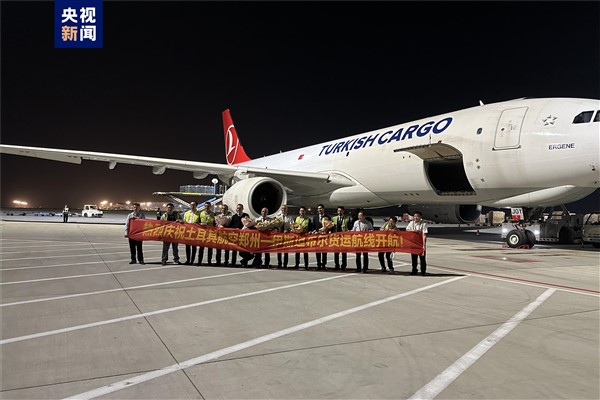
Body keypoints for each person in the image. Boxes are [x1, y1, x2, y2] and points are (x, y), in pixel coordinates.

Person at [406, 211, 428, 276]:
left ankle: (423, 271)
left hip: (420, 243)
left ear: (420, 217)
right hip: (413, 243)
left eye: (417, 216)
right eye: (415, 216)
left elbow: (424, 234)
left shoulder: (423, 224)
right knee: (414, 258)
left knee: (422, 258)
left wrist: (424, 245)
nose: (416, 218)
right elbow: (407, 230)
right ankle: (414, 270)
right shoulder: (411, 223)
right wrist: (414, 231)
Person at [311, 204, 330, 270]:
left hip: (325, 236)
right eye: (318, 208)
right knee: (318, 251)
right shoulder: (315, 217)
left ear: (323, 209)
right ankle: (318, 265)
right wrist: (314, 231)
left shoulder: (327, 217)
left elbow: (330, 226)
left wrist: (327, 230)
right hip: (317, 236)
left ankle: (324, 265)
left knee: (324, 251)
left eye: (321, 208)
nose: (320, 210)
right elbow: (313, 226)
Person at [332, 206, 350, 270]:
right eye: (338, 211)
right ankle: (336, 265)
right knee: (336, 253)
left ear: (343, 211)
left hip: (344, 237)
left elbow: (349, 227)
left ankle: (343, 266)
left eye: (341, 211)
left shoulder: (347, 218)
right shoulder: (334, 218)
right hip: (336, 238)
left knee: (344, 253)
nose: (339, 212)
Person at [197, 201, 216, 266]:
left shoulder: (213, 214)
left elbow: (215, 224)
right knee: (201, 248)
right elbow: (197, 222)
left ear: (210, 207)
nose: (207, 207)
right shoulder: (201, 213)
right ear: (204, 207)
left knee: (210, 248)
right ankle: (199, 261)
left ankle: (209, 262)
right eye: (205, 206)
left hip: (210, 233)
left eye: (208, 206)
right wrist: (201, 224)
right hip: (202, 233)